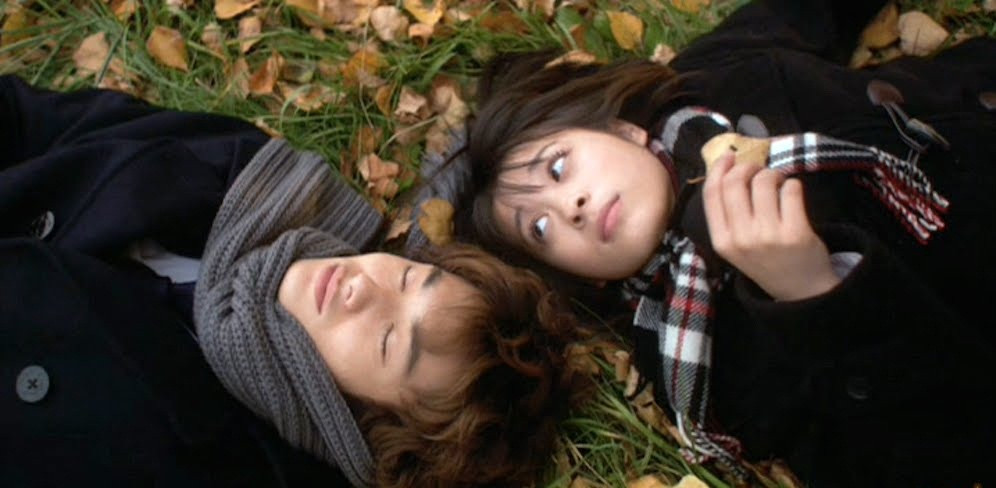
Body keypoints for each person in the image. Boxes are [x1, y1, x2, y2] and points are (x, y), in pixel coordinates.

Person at [451, 0, 996, 486]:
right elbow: (933, 449)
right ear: (587, 278)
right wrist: (813, 296)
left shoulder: (711, 76)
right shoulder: (698, 354)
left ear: (621, 130)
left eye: (557, 167)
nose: (568, 207)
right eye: (540, 230)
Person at [1, 75, 576, 487]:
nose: (363, 287)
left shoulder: (207, 464)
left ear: (359, 424)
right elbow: (42, 121)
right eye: (408, 277)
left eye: (387, 341)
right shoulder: (258, 178)